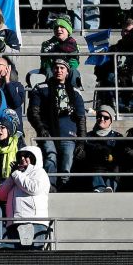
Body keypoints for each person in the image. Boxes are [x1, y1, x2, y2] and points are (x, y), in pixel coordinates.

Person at [27, 61, 86, 190]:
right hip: (47, 131)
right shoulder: (41, 87)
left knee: (67, 160)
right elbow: (33, 112)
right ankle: (50, 186)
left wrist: (81, 142)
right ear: (52, 70)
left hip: (69, 134)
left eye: (62, 68)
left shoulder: (75, 91)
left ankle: (65, 187)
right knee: (51, 156)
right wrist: (41, 128)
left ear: (67, 72)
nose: (59, 70)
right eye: (56, 68)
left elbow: (81, 118)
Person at [0, 145, 51, 249]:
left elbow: (34, 188)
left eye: (26, 156)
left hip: (33, 222)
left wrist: (16, 174)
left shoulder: (39, 172)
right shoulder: (16, 176)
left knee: (32, 258)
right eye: (20, 156)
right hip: (14, 223)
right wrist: (12, 176)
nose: (22, 159)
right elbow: (1, 195)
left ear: (34, 158)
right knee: (18, 262)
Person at [82, 105, 129, 193]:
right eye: (99, 116)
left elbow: (122, 155)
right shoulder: (89, 136)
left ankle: (109, 186)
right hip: (95, 168)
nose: (102, 119)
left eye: (106, 117)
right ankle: (99, 187)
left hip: (111, 168)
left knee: (115, 165)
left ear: (111, 120)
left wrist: (110, 155)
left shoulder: (117, 136)